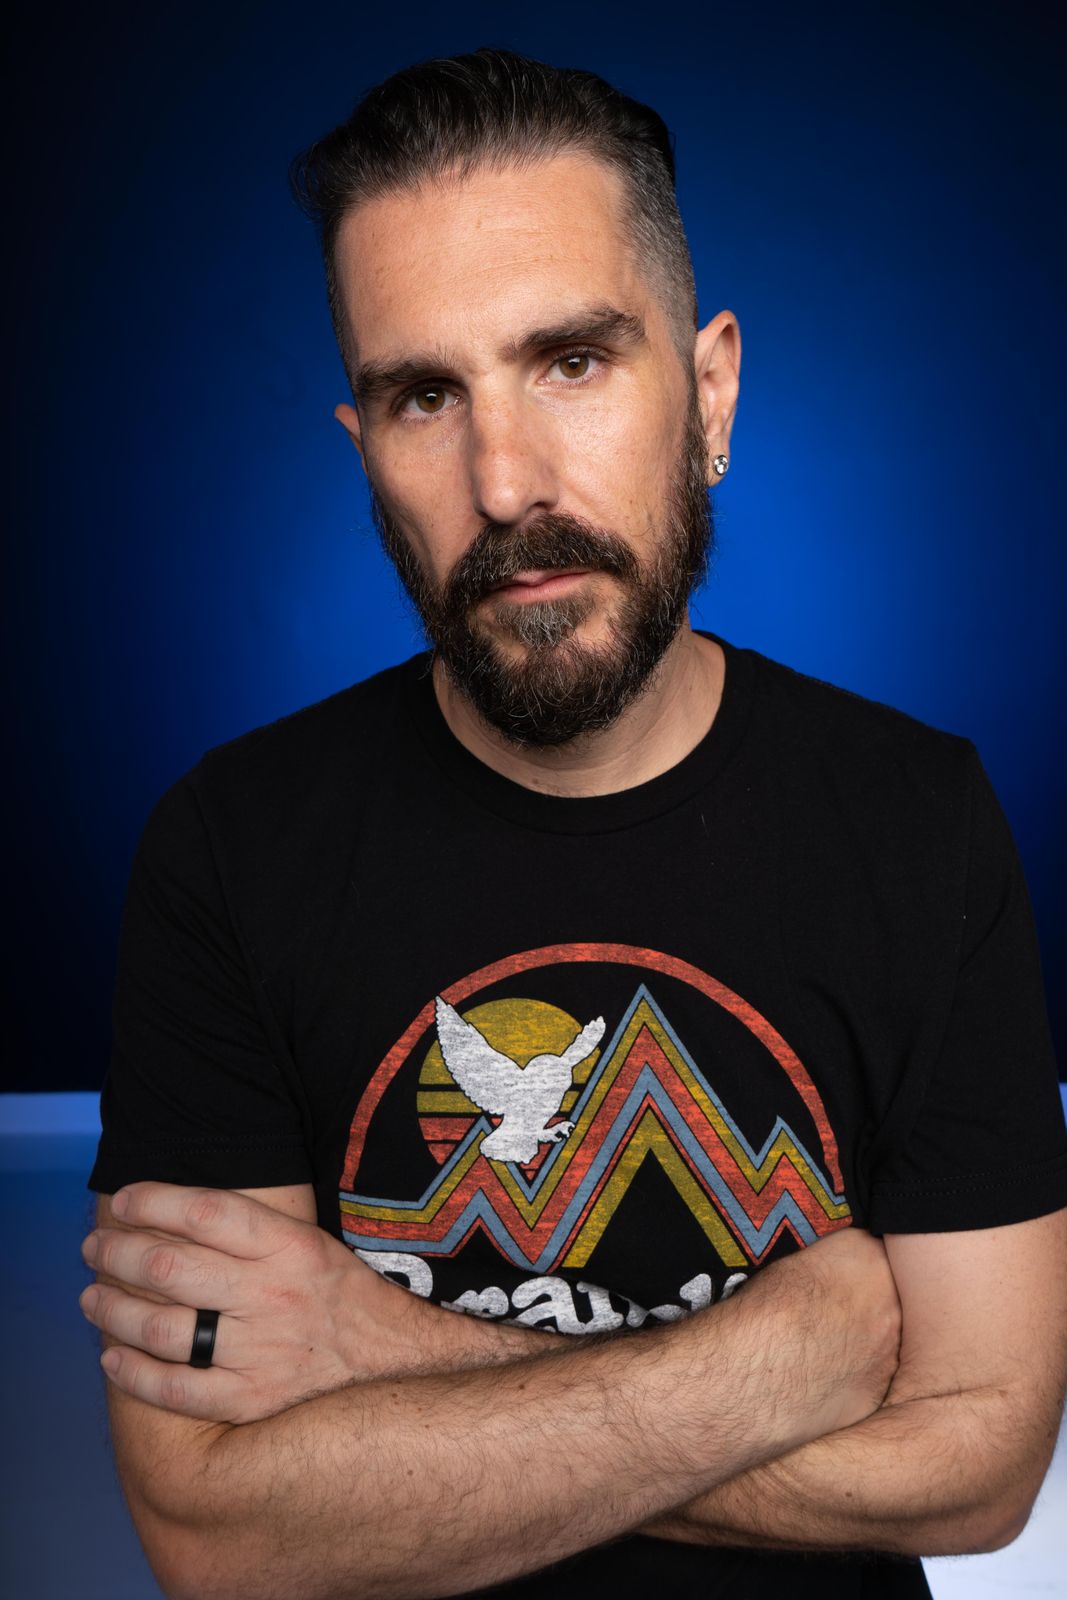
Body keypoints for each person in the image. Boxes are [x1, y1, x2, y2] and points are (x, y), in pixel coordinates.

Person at [81, 46, 1067, 1600]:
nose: (504, 481)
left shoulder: (918, 820)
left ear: (711, 388)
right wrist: (785, 1354)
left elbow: (984, 1467)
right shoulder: (226, 850)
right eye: (425, 396)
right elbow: (216, 1527)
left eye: (573, 362)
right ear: (364, 451)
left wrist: (377, 1349)